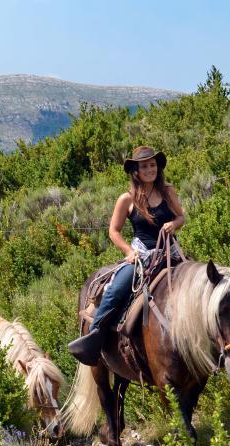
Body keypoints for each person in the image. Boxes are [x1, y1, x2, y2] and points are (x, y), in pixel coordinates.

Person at [68, 146, 186, 365]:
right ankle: (94, 337)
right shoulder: (127, 199)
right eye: (144, 166)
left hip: (170, 253)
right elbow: (113, 231)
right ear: (136, 171)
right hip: (141, 256)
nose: (150, 169)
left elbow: (181, 217)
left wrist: (174, 224)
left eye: (153, 165)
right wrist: (129, 252)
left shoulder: (168, 191)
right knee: (115, 290)